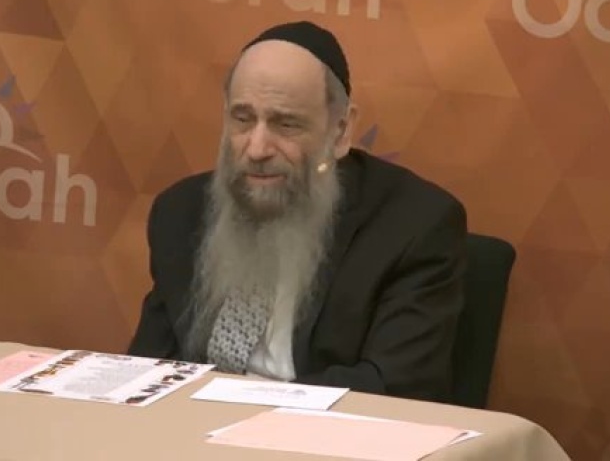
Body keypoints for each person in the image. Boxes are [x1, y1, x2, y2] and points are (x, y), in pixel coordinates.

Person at [127, 21, 467, 403]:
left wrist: (248, 403)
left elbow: (394, 388)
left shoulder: (414, 225)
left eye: (286, 124)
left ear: (340, 130)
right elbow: (149, 369)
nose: (257, 149)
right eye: (242, 119)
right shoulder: (182, 211)